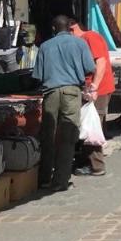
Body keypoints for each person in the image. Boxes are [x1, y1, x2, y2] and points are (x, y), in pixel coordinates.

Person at [34, 15, 96, 193]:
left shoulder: (45, 46)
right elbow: (90, 67)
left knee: (48, 135)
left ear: (54, 29)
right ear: (69, 27)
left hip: (51, 92)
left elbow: (38, 75)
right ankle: (61, 180)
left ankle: (44, 178)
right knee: (68, 136)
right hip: (71, 91)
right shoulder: (80, 43)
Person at [67, 18, 113, 177]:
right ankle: (85, 160)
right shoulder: (86, 39)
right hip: (92, 88)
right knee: (88, 125)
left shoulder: (90, 37)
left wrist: (94, 87)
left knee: (93, 127)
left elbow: (101, 62)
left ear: (72, 28)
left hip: (97, 89)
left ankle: (96, 166)